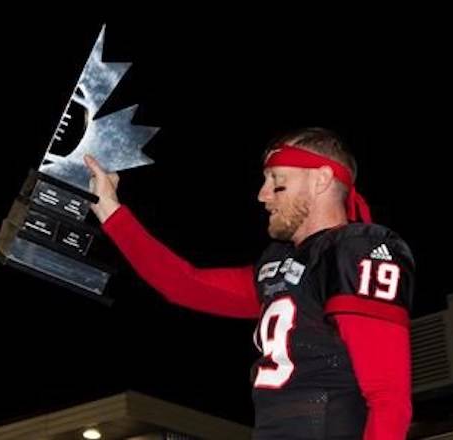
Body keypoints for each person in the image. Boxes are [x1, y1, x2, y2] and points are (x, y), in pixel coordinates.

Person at [83, 127, 414, 439]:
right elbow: (183, 284)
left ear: (321, 180)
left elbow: (389, 398)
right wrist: (109, 208)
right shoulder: (279, 264)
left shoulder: (356, 250)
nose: (262, 194)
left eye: (276, 180)